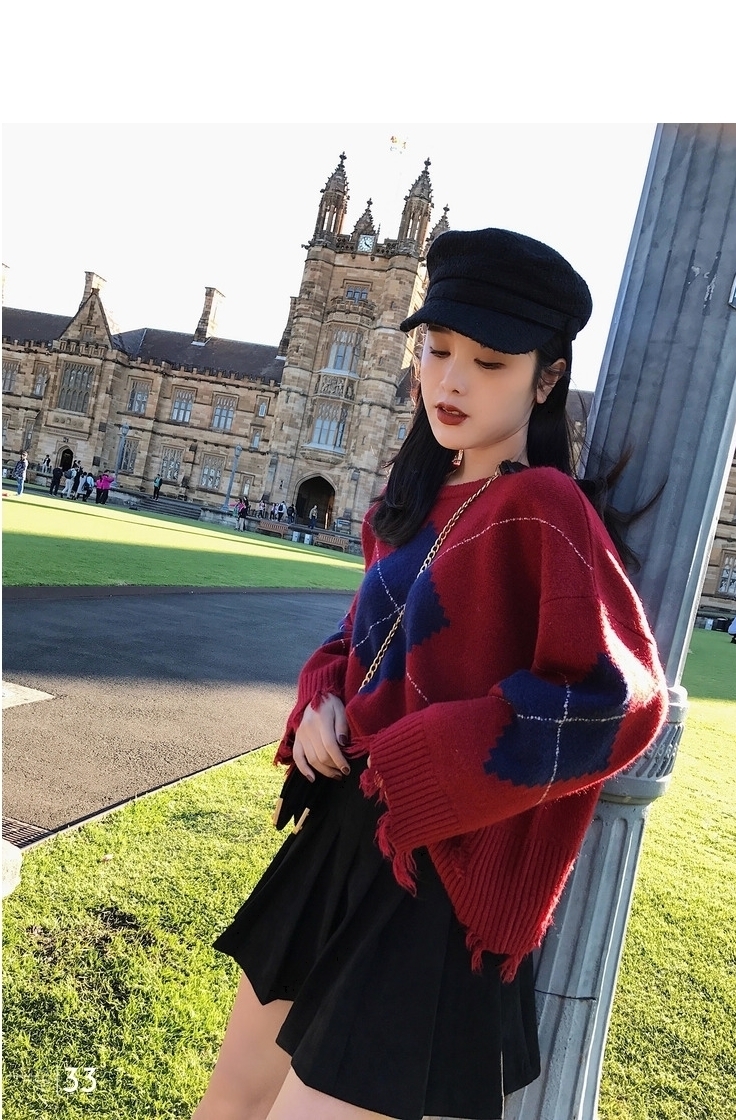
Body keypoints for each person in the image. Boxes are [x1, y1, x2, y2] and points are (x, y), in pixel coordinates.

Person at [192, 229, 669, 1120]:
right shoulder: (405, 505)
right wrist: (322, 701)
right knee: (231, 1103)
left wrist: (424, 758)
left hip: (434, 878)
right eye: (437, 350)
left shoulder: (543, 508)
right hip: (342, 840)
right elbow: (360, 642)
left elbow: (618, 703)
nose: (450, 381)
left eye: (488, 362)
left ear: (546, 379)